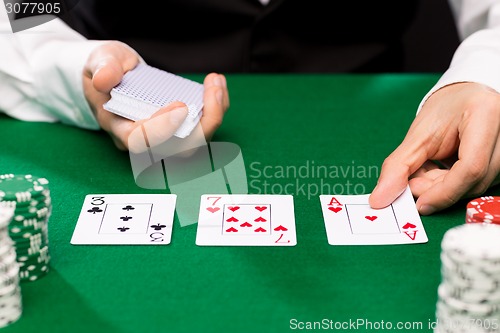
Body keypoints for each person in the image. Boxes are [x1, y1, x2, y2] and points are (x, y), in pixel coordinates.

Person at [0, 0, 499, 216]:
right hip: (114, 103)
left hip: (370, 115)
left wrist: (487, 74)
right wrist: (70, 66)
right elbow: (18, 10)